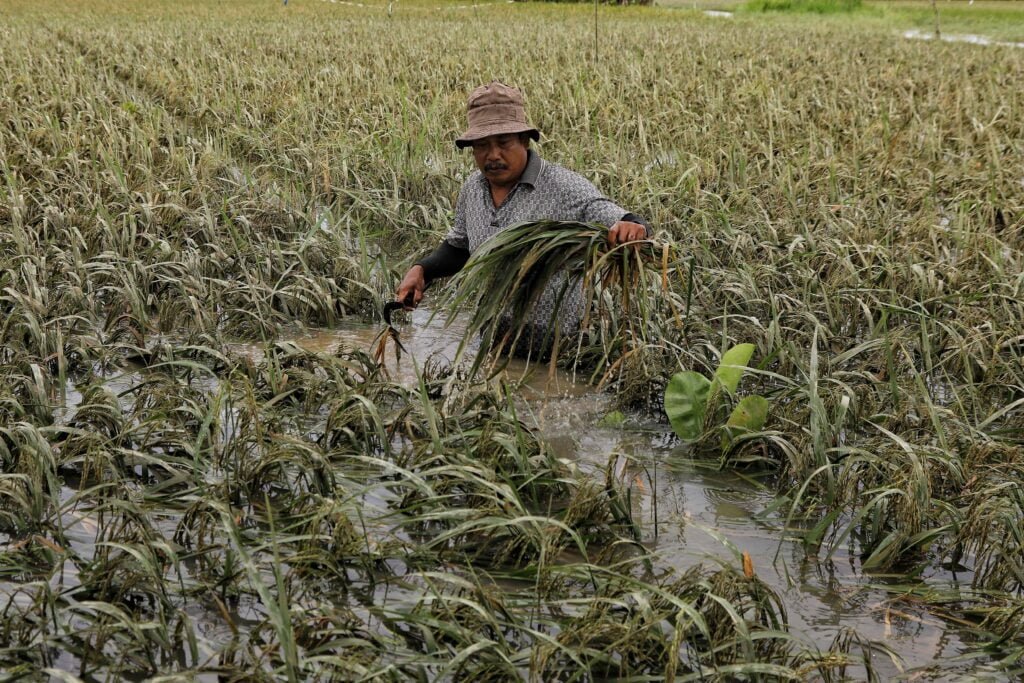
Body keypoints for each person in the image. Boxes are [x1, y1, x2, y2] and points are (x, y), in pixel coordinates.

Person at [396, 81, 649, 355]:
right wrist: (423, 270)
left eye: (503, 142)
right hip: (494, 340)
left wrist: (631, 225)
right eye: (481, 145)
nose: (492, 155)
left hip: (557, 350)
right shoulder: (473, 188)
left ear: (524, 140)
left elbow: (613, 215)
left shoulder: (562, 187)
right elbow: (460, 247)